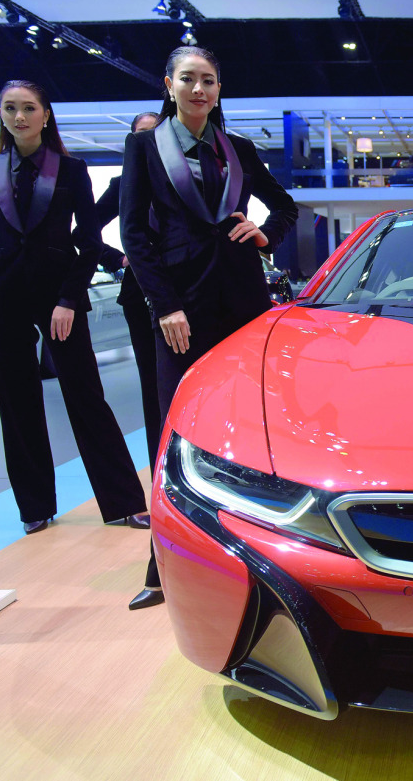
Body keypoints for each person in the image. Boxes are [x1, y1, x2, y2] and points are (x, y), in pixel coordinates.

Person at [120, 46, 298, 609]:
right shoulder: (145, 147)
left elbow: (285, 206)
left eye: (210, 81)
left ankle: (248, 560)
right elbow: (134, 234)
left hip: (243, 300)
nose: (200, 90)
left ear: (219, 90)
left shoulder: (238, 149)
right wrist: (164, 303)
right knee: (173, 427)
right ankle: (161, 565)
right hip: (180, 307)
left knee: (249, 429)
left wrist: (266, 234)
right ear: (168, 84)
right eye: (189, 80)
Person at [0, 80, 148, 535]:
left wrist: (68, 298)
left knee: (85, 396)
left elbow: (87, 240)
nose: (19, 116)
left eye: (28, 108)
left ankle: (124, 501)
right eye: (10, 108)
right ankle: (35, 508)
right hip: (2, 296)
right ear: (2, 114)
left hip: (57, 295)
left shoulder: (71, 170)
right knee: (16, 401)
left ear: (46, 114)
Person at [92, 112, 162, 476]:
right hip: (139, 296)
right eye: (139, 135)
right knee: (152, 388)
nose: (146, 141)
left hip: (188, 293)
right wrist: (119, 259)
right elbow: (84, 232)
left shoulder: (181, 177)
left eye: (153, 133)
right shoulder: (121, 183)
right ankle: (159, 478)